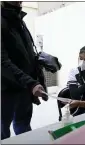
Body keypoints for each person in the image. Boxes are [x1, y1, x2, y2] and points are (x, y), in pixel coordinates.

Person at [1, 1, 47, 140]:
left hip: (24, 89)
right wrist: (30, 83)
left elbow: (26, 55)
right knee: (3, 129)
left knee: (24, 127)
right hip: (6, 90)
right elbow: (2, 62)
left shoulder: (19, 20)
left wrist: (37, 78)